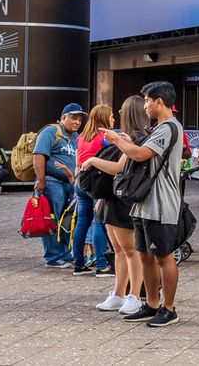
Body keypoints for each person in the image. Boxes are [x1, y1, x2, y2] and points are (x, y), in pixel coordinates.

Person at [104, 81, 184, 328]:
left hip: (161, 203)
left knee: (163, 256)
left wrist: (117, 141)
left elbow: (139, 155)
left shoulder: (168, 128)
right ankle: (150, 304)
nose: (145, 106)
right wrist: (127, 140)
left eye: (148, 101)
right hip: (144, 203)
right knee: (145, 255)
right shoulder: (158, 127)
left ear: (160, 101)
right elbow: (141, 151)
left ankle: (168, 309)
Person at [80, 94, 149, 316]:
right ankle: (118, 294)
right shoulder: (126, 137)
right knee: (119, 250)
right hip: (112, 198)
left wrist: (91, 161)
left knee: (130, 250)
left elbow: (119, 167)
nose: (118, 114)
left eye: (122, 111)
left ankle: (135, 295)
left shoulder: (136, 138)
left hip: (123, 199)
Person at [33, 103, 84, 268]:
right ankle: (53, 257)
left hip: (69, 184)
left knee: (66, 220)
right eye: (73, 118)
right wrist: (41, 180)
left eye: (79, 120)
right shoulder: (51, 132)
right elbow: (39, 155)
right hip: (52, 183)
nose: (77, 122)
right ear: (63, 118)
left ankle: (64, 253)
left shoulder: (75, 137)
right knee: (52, 218)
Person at [72, 104, 114, 276]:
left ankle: (78, 264)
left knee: (82, 222)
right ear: (103, 118)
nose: (113, 119)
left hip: (81, 182)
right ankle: (102, 265)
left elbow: (77, 162)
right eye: (111, 116)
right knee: (99, 221)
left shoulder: (81, 137)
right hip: (97, 184)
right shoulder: (105, 138)